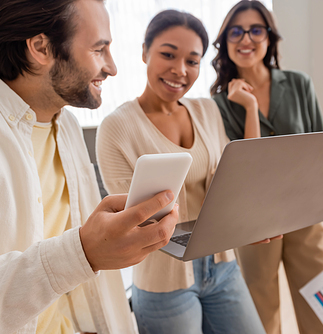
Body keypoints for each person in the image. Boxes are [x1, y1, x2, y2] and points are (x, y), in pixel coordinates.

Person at [0, 0, 180, 333]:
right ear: (41, 47)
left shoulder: (65, 126)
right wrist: (82, 253)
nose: (111, 67)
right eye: (99, 49)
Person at [96, 9, 272, 334]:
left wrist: (249, 223)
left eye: (192, 61)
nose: (180, 70)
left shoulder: (207, 110)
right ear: (145, 52)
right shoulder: (116, 128)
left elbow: (237, 180)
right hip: (164, 282)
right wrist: (232, 227)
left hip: (223, 268)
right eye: (167, 54)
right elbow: (133, 223)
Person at [211, 1, 323, 333]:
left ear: (269, 38)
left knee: (321, 308)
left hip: (307, 213)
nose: (246, 39)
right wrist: (250, 108)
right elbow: (247, 170)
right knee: (261, 311)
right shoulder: (219, 104)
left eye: (256, 30)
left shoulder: (299, 85)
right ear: (225, 41)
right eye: (236, 31)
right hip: (255, 227)